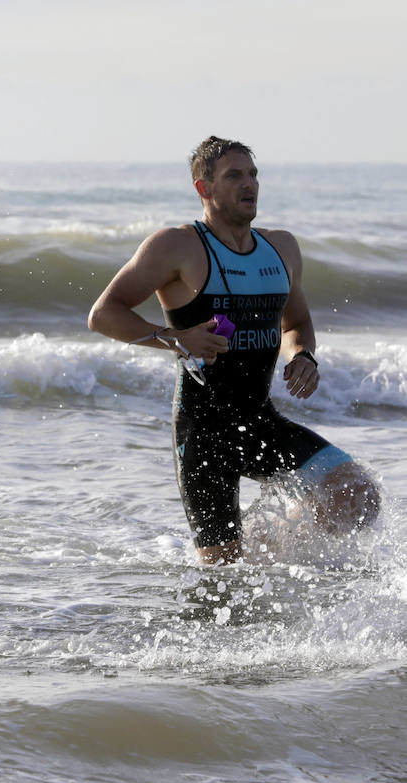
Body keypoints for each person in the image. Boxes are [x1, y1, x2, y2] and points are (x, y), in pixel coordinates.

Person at [88, 136, 379, 564]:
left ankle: (271, 542)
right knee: (222, 582)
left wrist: (302, 355)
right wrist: (175, 338)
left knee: (358, 495)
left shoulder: (282, 248)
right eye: (234, 176)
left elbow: (295, 323)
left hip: (261, 423)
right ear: (203, 189)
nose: (250, 185)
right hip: (203, 433)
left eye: (253, 174)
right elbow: (103, 314)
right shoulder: (177, 246)